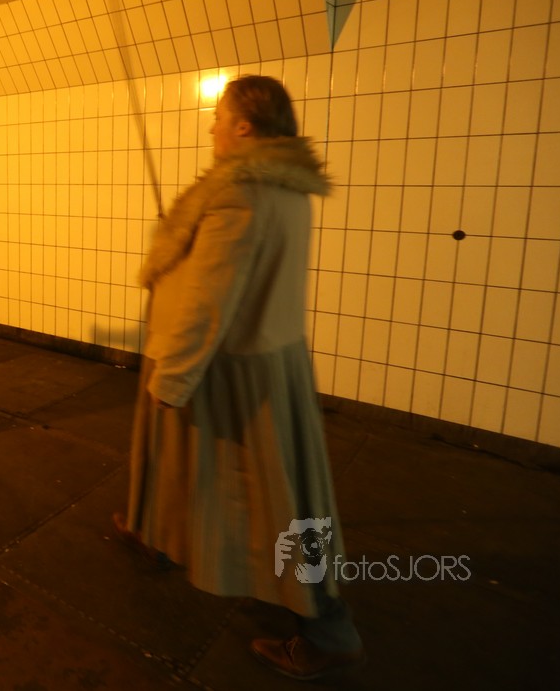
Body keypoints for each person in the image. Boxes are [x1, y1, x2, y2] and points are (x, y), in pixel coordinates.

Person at [114, 75, 363, 681]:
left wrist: (172, 378)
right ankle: (154, 534)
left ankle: (328, 632)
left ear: (244, 127)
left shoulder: (239, 192)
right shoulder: (285, 186)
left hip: (235, 377)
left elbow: (210, 298)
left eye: (218, 118)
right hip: (270, 362)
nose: (212, 127)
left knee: (275, 500)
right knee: (256, 487)